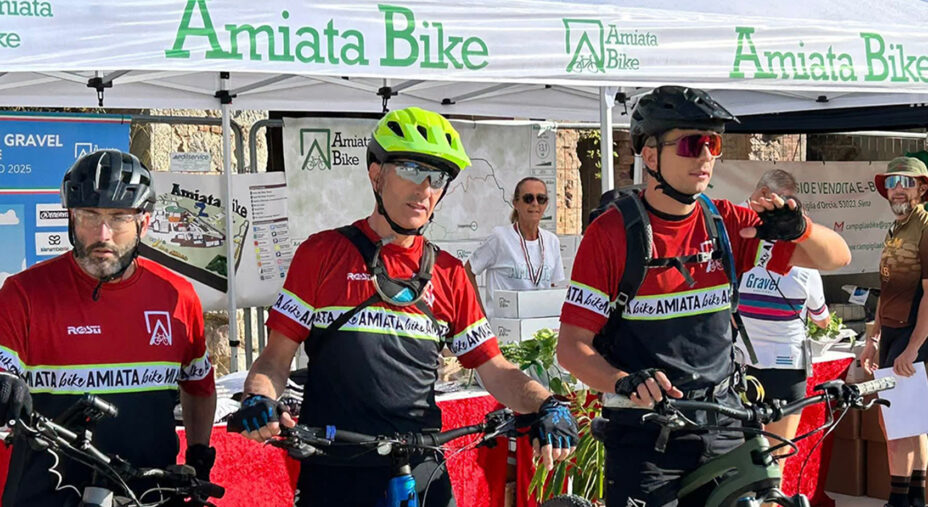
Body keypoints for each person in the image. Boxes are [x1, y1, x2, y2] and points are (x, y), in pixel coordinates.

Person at [229, 107, 578, 507]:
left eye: (437, 178)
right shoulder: (321, 254)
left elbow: (494, 369)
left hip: (421, 463)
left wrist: (547, 403)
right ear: (376, 174)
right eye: (411, 170)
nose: (424, 189)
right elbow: (275, 361)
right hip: (336, 465)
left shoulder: (448, 273)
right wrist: (258, 397)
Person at [555, 85, 851, 507]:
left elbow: (836, 257)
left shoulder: (725, 223)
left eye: (713, 143)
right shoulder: (611, 234)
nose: (706, 156)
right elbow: (571, 348)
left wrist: (800, 228)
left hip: (723, 423)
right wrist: (623, 380)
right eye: (692, 144)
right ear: (650, 156)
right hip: (646, 435)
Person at [0, 150, 217, 507]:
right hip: (48, 494)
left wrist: (198, 452)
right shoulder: (23, 293)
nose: (103, 234)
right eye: (89, 215)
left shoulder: (177, 296)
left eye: (119, 218)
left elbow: (199, 385)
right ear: (71, 217)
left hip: (149, 493)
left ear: (144, 222)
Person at [736, 169, 830, 462]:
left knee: (746, 458)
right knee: (777, 458)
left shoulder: (739, 252)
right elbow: (822, 319)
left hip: (743, 363)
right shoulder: (803, 264)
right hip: (786, 368)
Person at [859, 156, 928, 507]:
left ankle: (898, 502)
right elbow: (887, 292)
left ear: (922, 188)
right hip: (892, 336)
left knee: (896, 426)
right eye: (891, 182)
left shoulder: (925, 227)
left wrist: (913, 348)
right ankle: (915, 498)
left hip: (913, 337)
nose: (897, 188)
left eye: (906, 181)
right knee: (909, 424)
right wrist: (873, 339)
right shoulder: (897, 229)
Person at [465, 177, 565, 317]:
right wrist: (479, 313)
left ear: (546, 204)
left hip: (540, 326)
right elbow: (468, 271)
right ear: (516, 204)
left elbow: (555, 286)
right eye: (528, 198)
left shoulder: (552, 241)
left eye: (541, 199)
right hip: (503, 327)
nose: (535, 203)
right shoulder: (500, 237)